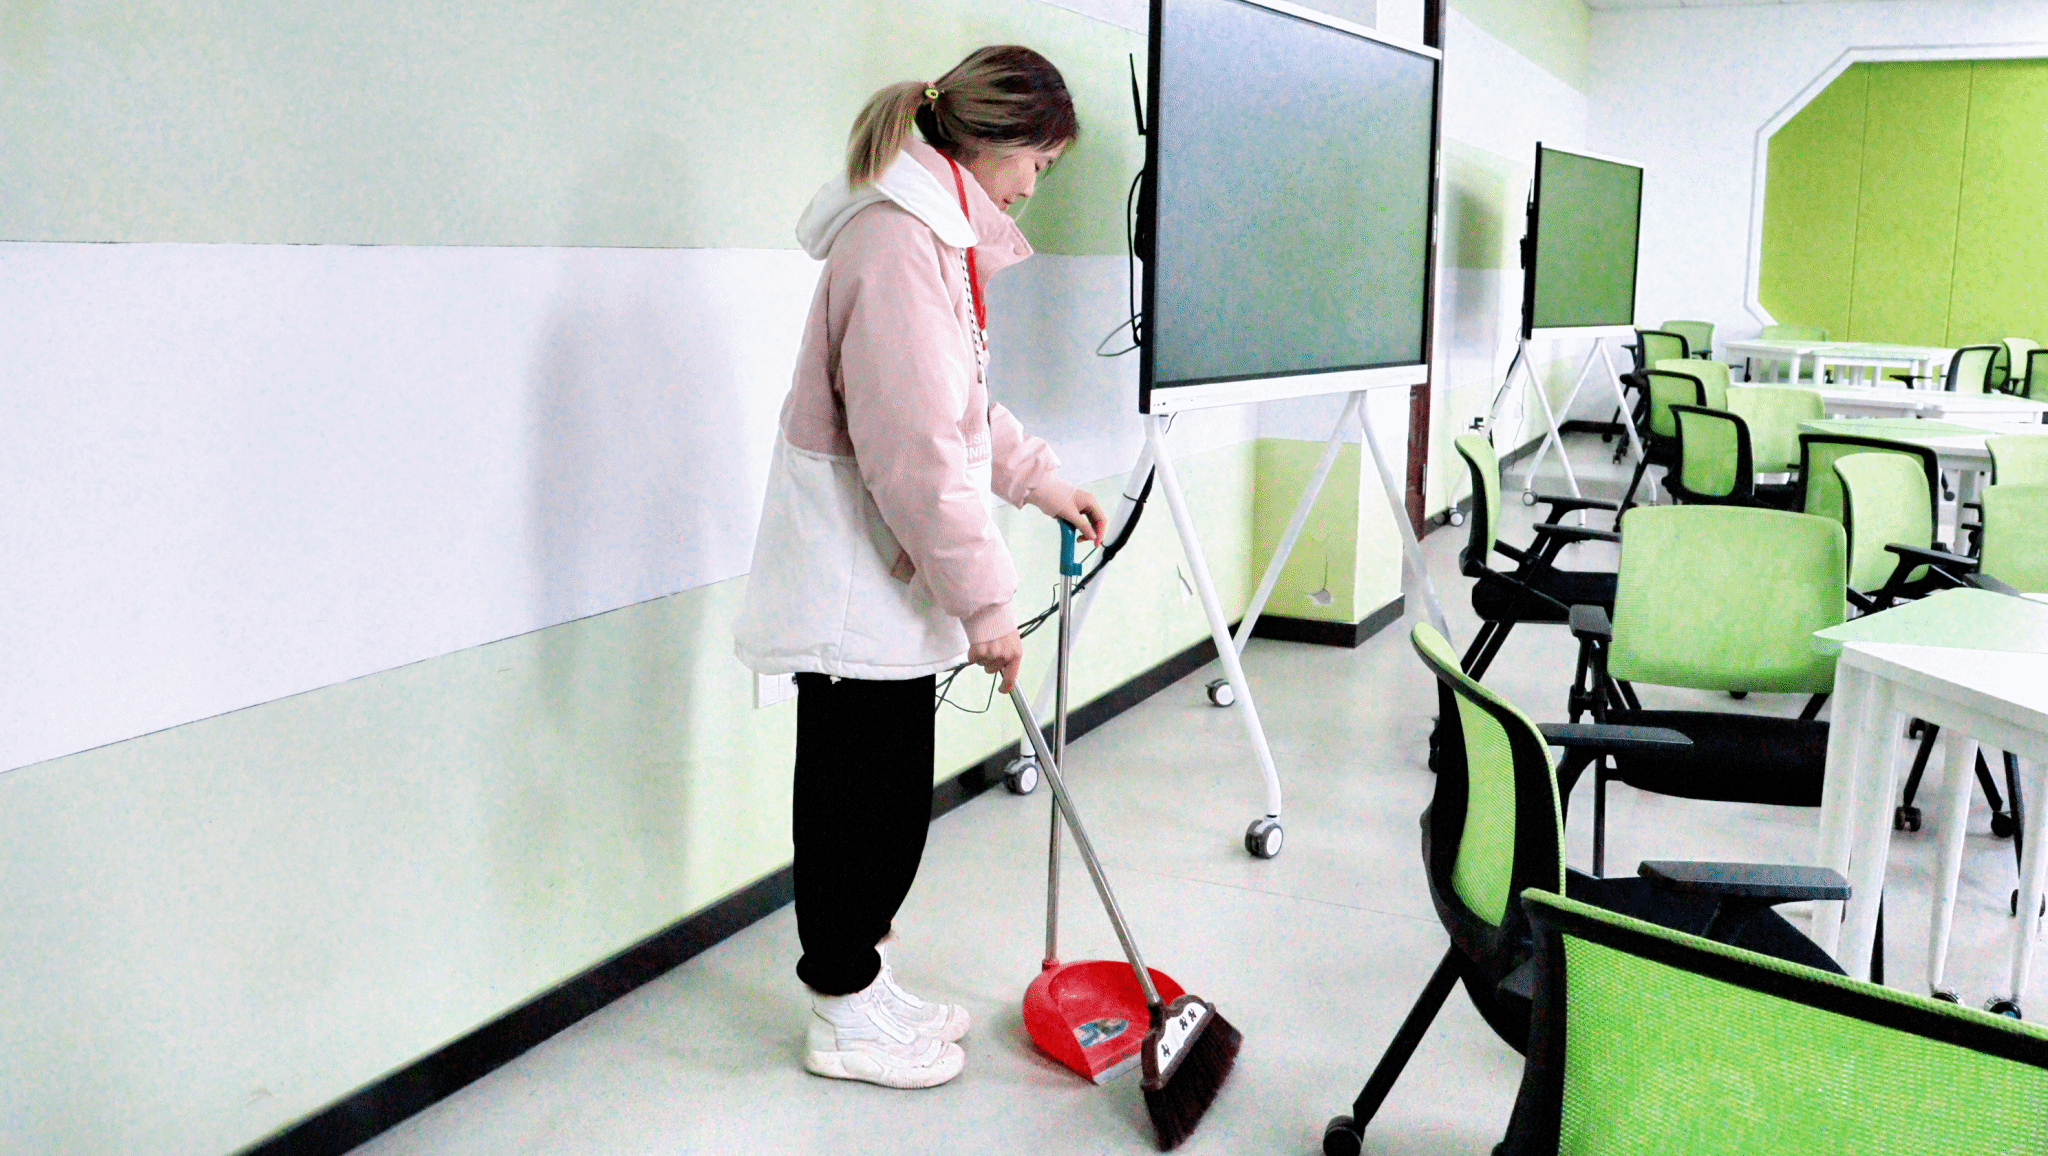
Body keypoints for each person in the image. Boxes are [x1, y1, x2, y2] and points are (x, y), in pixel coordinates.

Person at [733, 45, 1107, 1090]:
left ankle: (862, 979)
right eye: (1037, 162)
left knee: (888, 795)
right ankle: (841, 1008)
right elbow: (916, 454)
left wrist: (1038, 478)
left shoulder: (928, 235)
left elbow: (958, 409)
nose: (1033, 186)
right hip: (856, 581)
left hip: (883, 580)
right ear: (992, 142)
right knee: (859, 799)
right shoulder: (897, 243)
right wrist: (988, 603)